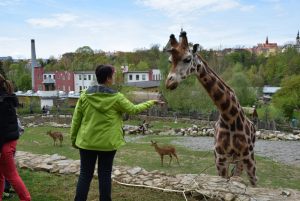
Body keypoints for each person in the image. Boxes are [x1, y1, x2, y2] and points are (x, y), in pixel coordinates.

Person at [71, 65, 162, 201]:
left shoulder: (84, 96)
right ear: (108, 78)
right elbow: (134, 109)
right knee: (105, 175)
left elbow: (76, 120)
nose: (113, 78)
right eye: (113, 75)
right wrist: (151, 102)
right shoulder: (117, 98)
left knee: (85, 175)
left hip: (86, 143)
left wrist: (74, 140)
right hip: (108, 144)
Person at [0, 74, 31, 201]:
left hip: (4, 143)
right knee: (1, 175)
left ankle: (26, 199)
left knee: (11, 175)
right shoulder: (6, 98)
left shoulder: (2, 102)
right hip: (9, 141)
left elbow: (1, 128)